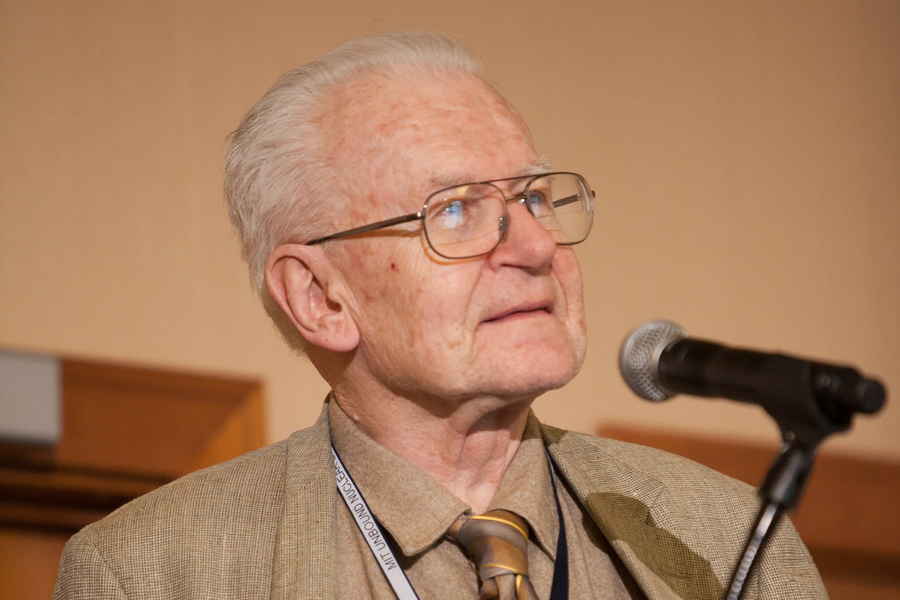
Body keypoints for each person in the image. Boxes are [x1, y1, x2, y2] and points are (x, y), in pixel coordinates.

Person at [52, 31, 827, 600]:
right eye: (453, 211)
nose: (531, 244)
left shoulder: (729, 540)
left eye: (531, 197)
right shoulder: (155, 573)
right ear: (320, 299)